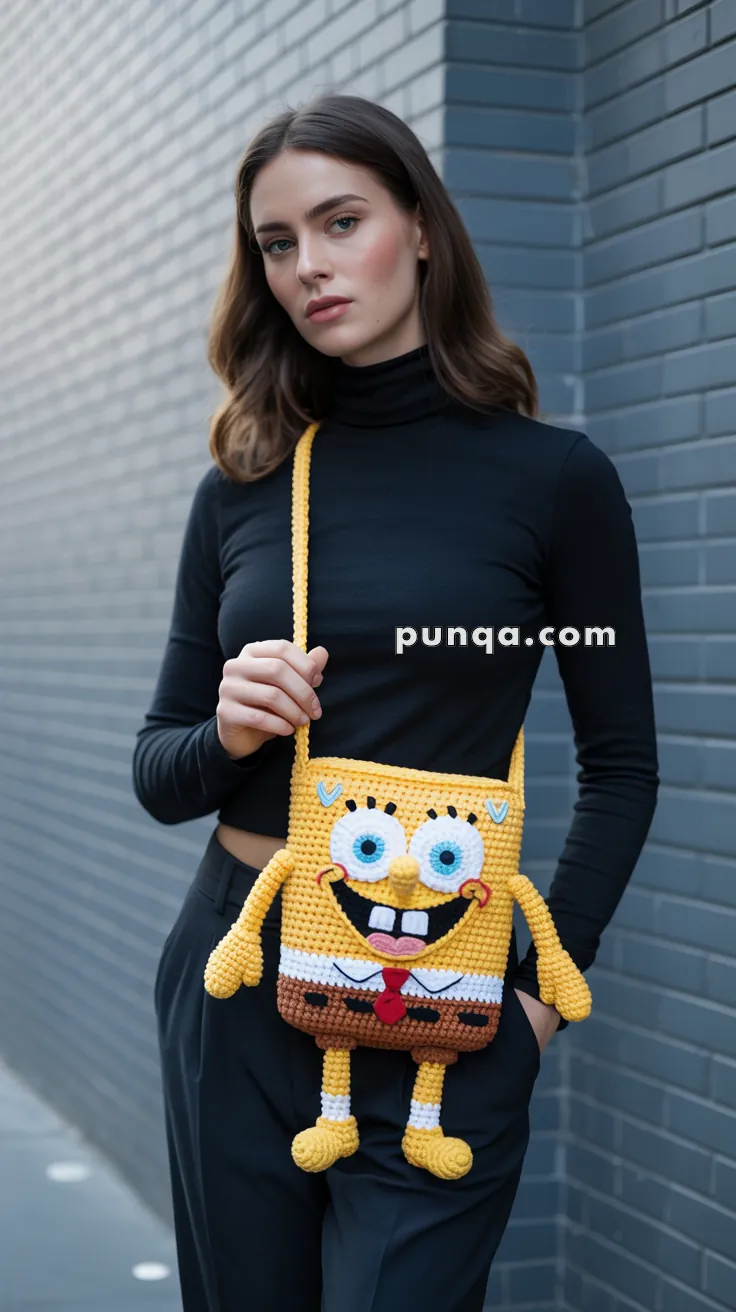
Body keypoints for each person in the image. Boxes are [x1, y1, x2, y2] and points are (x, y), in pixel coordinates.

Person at [133, 93, 659, 1312]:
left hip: (447, 986)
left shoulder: (554, 483)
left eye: (340, 219)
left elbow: (622, 765)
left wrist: (531, 999)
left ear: (421, 227)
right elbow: (157, 771)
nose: (308, 265)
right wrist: (227, 730)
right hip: (241, 973)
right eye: (276, 242)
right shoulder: (243, 487)